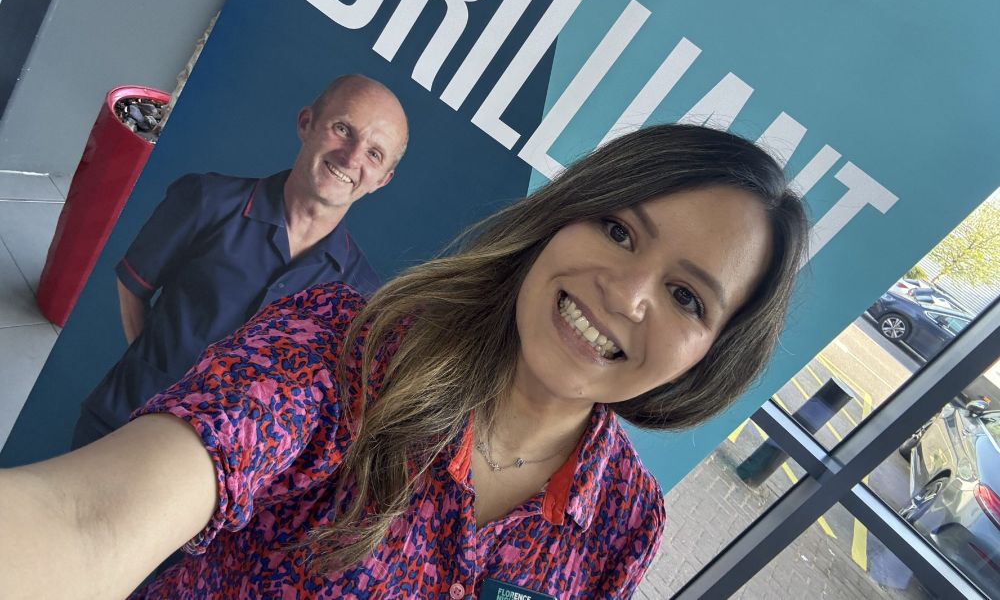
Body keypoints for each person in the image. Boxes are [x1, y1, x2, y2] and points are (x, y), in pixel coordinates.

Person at [0, 123, 808, 599]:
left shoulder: (625, 523)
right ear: (563, 220)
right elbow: (92, 519)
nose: (628, 294)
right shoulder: (341, 351)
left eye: (687, 298)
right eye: (621, 232)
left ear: (712, 357)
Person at [72, 74, 410, 449]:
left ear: (383, 180)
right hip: (120, 423)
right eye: (343, 129)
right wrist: (156, 373)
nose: (351, 157)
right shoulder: (206, 199)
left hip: (218, 484)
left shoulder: (361, 296)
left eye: (374, 153)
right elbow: (133, 285)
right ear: (306, 123)